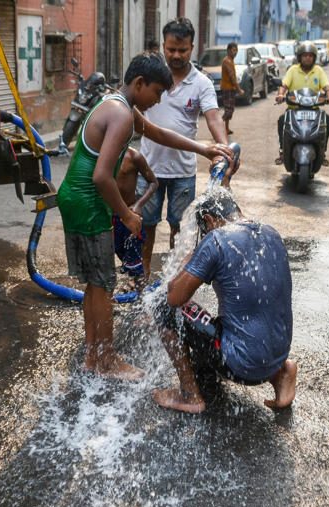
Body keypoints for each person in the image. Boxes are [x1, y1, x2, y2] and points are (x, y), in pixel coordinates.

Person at [56, 53, 232, 379]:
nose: (158, 100)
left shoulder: (116, 105)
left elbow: (159, 133)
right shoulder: (121, 115)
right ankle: (106, 360)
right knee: (104, 284)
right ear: (139, 83)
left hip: (75, 199)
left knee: (95, 284)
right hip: (88, 201)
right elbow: (101, 176)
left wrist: (203, 149)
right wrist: (125, 214)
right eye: (156, 92)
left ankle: (94, 357)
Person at [151, 190, 296, 413]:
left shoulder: (217, 239)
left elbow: (174, 297)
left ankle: (189, 395)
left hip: (242, 366)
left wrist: (187, 262)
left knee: (162, 305)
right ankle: (280, 374)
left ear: (209, 220)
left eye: (204, 228)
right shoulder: (271, 232)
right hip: (278, 354)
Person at [138, 18, 229, 280]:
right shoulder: (150, 78)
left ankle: (175, 279)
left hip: (182, 172)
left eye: (183, 50)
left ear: (192, 48)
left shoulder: (201, 83)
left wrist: (222, 149)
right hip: (149, 168)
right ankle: (142, 275)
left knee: (180, 228)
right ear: (163, 46)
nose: (176, 55)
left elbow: (213, 117)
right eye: (171, 49)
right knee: (146, 225)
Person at [275, 41, 329, 166]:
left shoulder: (318, 70)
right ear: (300, 57)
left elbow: (327, 86)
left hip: (314, 109)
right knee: (282, 120)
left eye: (310, 55)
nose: (308, 58)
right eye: (305, 55)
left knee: (327, 120)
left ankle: (322, 151)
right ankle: (282, 150)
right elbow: (284, 84)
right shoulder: (293, 70)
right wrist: (280, 95)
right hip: (294, 108)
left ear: (314, 57)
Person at [112, 147, 158, 291]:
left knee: (134, 254)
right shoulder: (102, 154)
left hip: (129, 216)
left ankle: (139, 287)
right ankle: (133, 280)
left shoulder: (134, 156)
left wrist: (138, 205)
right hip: (108, 215)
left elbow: (154, 182)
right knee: (117, 250)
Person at [220, 42, 244, 136]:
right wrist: (239, 90)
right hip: (227, 89)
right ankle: (219, 126)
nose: (235, 52)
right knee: (228, 110)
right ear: (228, 50)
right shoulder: (227, 61)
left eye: (236, 50)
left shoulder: (230, 60)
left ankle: (226, 128)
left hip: (230, 88)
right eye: (233, 50)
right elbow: (232, 77)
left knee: (229, 109)